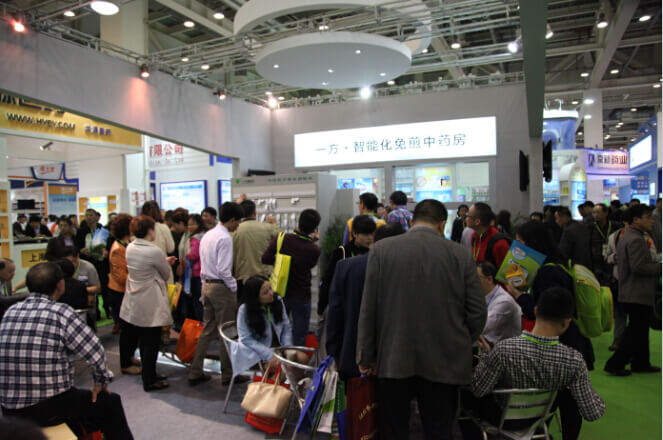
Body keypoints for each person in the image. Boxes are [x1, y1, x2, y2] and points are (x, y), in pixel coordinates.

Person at [357, 199, 486, 440]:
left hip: (393, 358)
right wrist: (458, 339)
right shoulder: (459, 254)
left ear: (413, 221)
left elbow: (369, 309)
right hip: (445, 360)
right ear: (442, 224)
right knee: (440, 430)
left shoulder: (381, 250)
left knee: (393, 431)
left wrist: (366, 355)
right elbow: (477, 312)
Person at [0, 262, 133, 439]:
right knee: (109, 403)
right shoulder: (61, 312)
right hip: (48, 408)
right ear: (60, 285)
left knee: (79, 404)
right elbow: (95, 351)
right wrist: (101, 381)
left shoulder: (11, 311)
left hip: (9, 411)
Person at [463, 287, 606, 440]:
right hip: (538, 420)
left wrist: (486, 355)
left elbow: (479, 390)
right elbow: (593, 412)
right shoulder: (574, 361)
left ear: (536, 311)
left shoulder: (504, 349)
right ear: (567, 322)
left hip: (501, 419)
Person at [505, 221, 595, 439]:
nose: (517, 247)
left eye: (520, 242)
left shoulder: (548, 273)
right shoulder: (557, 265)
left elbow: (545, 312)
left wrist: (520, 296)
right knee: (565, 400)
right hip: (571, 339)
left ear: (532, 243)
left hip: (561, 342)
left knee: (558, 400)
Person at [326, 223, 404, 380]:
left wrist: (333, 352)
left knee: (355, 395)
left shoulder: (346, 267)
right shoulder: (405, 270)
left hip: (351, 353)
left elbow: (335, 313)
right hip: (395, 359)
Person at [188, 202, 244, 386]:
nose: (238, 225)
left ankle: (195, 370)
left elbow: (205, 265)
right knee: (227, 332)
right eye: (238, 221)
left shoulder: (208, 235)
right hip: (221, 288)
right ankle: (228, 374)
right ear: (232, 219)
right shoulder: (225, 238)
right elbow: (223, 270)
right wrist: (233, 287)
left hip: (206, 285)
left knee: (208, 330)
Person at [120, 216, 176, 391]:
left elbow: (144, 267)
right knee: (151, 341)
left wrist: (162, 262)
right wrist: (165, 263)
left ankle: (149, 373)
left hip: (136, 299)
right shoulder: (154, 251)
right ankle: (149, 379)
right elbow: (165, 274)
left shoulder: (130, 247)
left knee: (144, 340)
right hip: (151, 300)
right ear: (150, 230)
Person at [605, 205, 662, 376]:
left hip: (634, 290)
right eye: (648, 217)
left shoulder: (631, 235)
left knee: (641, 329)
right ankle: (615, 364)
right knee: (636, 330)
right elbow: (638, 267)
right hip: (636, 291)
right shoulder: (636, 239)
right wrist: (659, 267)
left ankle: (641, 362)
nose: (652, 221)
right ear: (636, 220)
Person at [262, 209, 322, 347]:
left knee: (277, 331)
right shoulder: (314, 249)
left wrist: (281, 261)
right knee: (299, 335)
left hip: (279, 291)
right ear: (314, 228)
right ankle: (294, 359)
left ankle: (276, 357)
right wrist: (312, 242)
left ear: (299, 222)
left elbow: (265, 259)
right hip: (302, 295)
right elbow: (310, 264)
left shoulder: (281, 238)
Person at [318, 215, 376, 316]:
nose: (370, 238)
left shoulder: (373, 254)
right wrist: (321, 308)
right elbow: (328, 280)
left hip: (366, 305)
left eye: (372, 233)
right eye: (366, 234)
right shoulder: (341, 252)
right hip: (345, 306)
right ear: (355, 233)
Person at [236, 276, 293, 371]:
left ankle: (284, 379)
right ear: (255, 297)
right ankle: (274, 379)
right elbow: (245, 339)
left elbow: (286, 327)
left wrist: (287, 348)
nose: (271, 293)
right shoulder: (244, 310)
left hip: (279, 349)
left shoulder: (277, 301)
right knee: (287, 368)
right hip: (257, 354)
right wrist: (269, 354)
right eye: (265, 293)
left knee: (301, 359)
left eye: (270, 288)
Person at [233, 199, 280, 304]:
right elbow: (281, 239)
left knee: (245, 308)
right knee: (266, 307)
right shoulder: (268, 228)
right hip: (265, 276)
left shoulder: (235, 230)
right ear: (254, 212)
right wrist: (274, 224)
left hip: (243, 278)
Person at [75, 209, 110, 320]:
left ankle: (107, 309)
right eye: (87, 215)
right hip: (88, 262)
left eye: (91, 215)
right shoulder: (81, 231)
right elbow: (76, 247)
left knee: (104, 286)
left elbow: (109, 245)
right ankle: (95, 311)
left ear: (97, 217)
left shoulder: (103, 230)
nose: (89, 217)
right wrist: (81, 251)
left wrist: (105, 252)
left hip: (101, 263)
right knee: (91, 285)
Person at [476, 260, 521, 345]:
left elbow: (481, 327)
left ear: (489, 279)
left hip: (507, 350)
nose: (472, 282)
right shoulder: (482, 295)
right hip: (489, 345)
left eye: (476, 278)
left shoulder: (504, 301)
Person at [605, 211, 631, 351]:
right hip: (618, 279)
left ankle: (631, 342)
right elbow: (606, 255)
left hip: (636, 282)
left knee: (636, 315)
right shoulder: (614, 237)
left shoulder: (644, 237)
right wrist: (615, 257)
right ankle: (618, 339)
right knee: (620, 313)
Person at [108, 214, 132, 335]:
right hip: (120, 292)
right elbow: (121, 277)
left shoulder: (124, 244)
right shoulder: (118, 248)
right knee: (126, 330)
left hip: (124, 291)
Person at [467, 202, 510, 268]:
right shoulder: (474, 236)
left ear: (477, 222)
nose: (466, 218)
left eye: (468, 216)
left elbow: (506, 271)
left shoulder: (500, 243)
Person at [590, 203, 621, 286]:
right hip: (596, 262)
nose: (595, 215)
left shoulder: (616, 226)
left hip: (612, 261)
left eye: (598, 212)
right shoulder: (590, 228)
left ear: (606, 213)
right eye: (593, 212)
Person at [185, 214, 206, 321]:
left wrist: (186, 255)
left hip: (196, 272)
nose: (190, 227)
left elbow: (194, 255)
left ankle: (200, 325)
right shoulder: (205, 235)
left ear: (199, 224)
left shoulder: (194, 239)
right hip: (205, 272)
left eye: (192, 224)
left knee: (197, 301)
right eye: (188, 224)